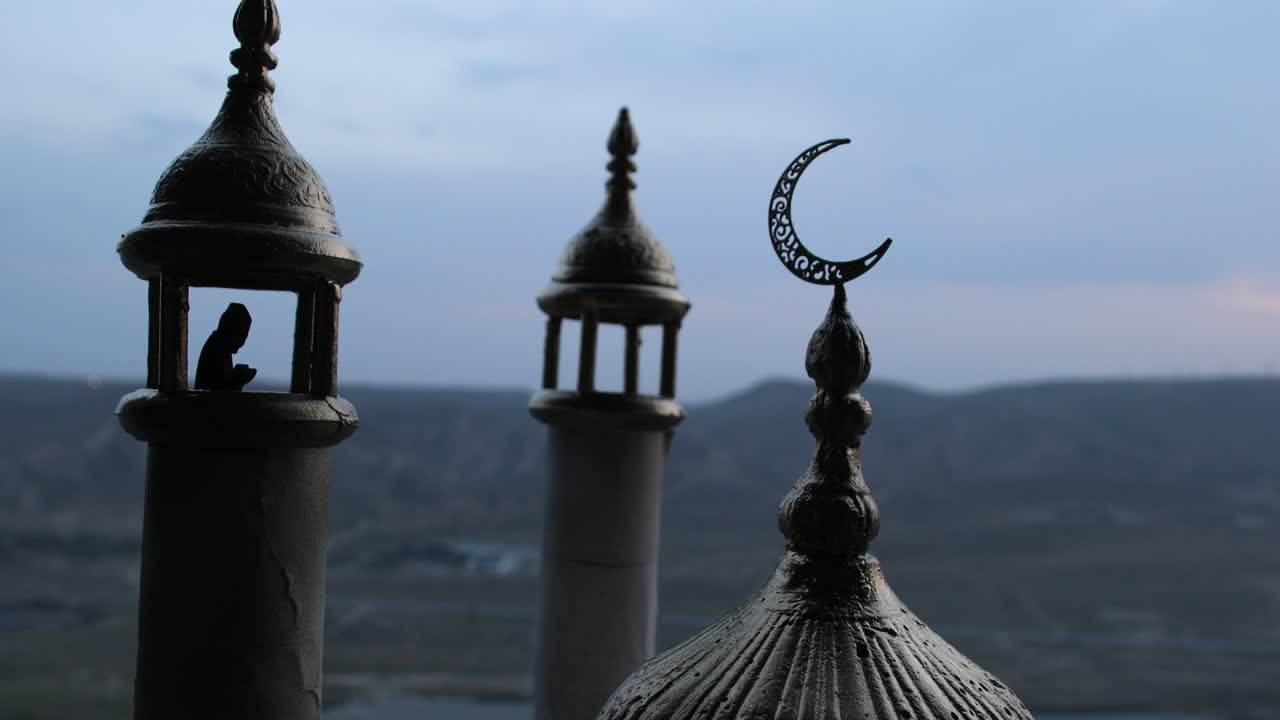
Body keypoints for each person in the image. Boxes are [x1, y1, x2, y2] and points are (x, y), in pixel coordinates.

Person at [194, 302, 258, 391]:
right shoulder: (216, 348)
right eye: (242, 334)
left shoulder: (220, 345)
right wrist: (237, 378)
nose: (243, 340)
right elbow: (218, 391)